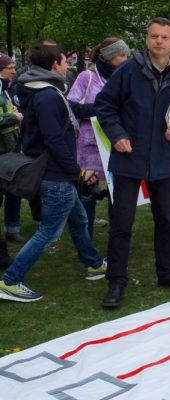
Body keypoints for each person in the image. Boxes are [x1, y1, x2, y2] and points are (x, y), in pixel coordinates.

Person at [95, 17, 170, 308]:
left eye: (164, 37)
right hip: (129, 158)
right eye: (153, 36)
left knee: (165, 221)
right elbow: (104, 106)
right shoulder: (128, 70)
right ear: (147, 39)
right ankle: (116, 281)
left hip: (162, 159)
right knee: (122, 224)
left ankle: (166, 273)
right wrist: (117, 134)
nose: (158, 41)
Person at [0, 43, 106, 302]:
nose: (68, 65)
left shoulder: (47, 91)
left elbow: (69, 117)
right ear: (54, 65)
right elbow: (54, 139)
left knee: (78, 220)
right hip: (55, 174)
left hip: (57, 172)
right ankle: (10, 281)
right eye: (65, 61)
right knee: (49, 232)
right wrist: (77, 171)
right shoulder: (47, 96)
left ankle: (93, 263)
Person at [66, 37, 130, 240]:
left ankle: (117, 242)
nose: (125, 59)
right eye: (121, 55)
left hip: (117, 144)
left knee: (117, 196)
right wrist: (103, 110)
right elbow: (71, 106)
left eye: (127, 55)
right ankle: (86, 244)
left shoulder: (127, 77)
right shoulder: (87, 77)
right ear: (108, 57)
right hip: (90, 146)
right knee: (87, 195)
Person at [0, 52, 25, 246]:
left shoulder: (7, 88)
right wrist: (13, 117)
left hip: (12, 149)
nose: (14, 71)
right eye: (10, 68)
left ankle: (12, 229)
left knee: (14, 191)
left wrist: (14, 112)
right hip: (2, 151)